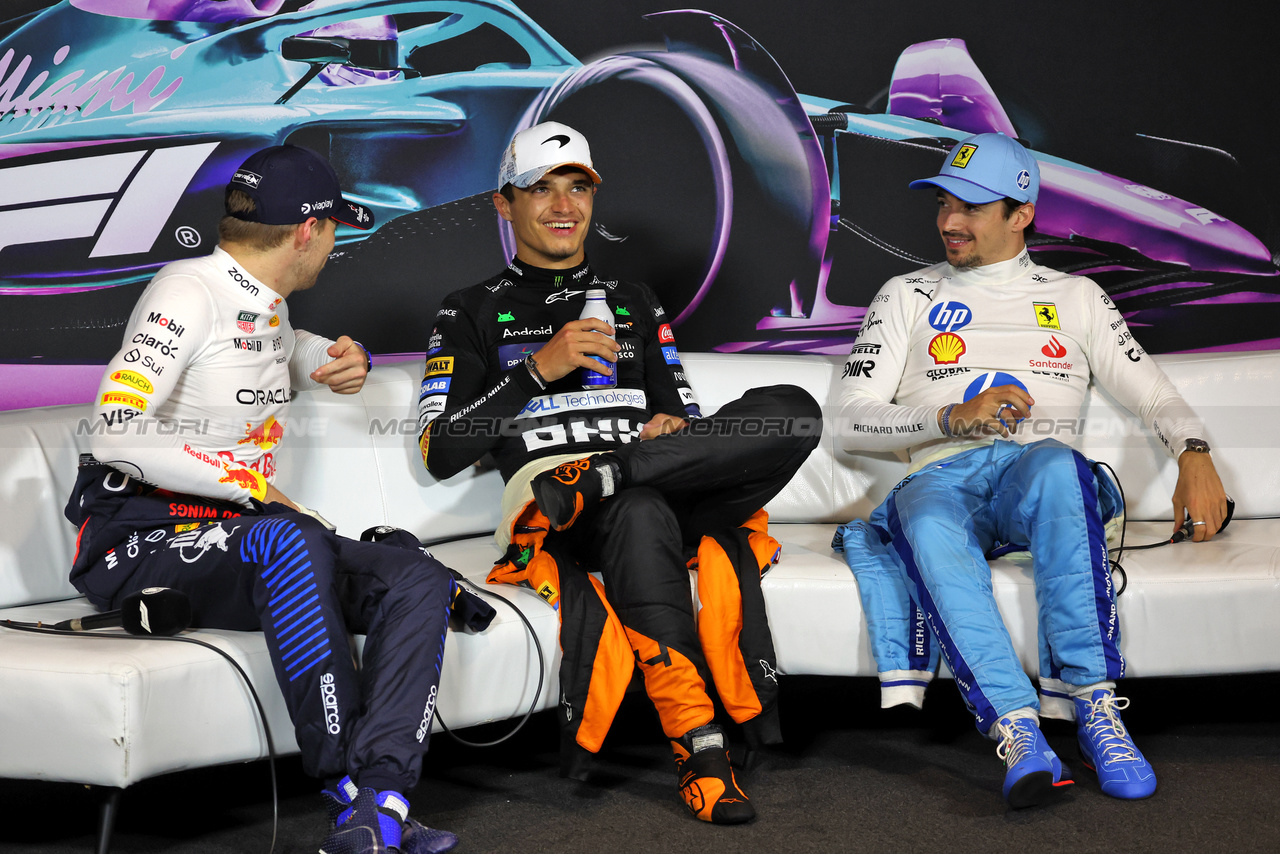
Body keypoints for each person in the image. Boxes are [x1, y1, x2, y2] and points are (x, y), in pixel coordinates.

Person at [65, 144, 475, 854]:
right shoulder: (185, 292)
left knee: (417, 576)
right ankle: (345, 789)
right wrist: (253, 486)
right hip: (136, 537)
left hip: (241, 536)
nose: (336, 241)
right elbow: (111, 432)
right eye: (337, 227)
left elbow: (268, 339)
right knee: (293, 539)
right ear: (308, 231)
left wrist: (327, 359)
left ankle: (381, 798)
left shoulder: (265, 300)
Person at [417, 121, 821, 824]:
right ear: (503, 204)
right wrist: (539, 369)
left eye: (576, 186)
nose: (562, 204)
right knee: (639, 511)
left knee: (793, 410)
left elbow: (683, 416)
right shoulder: (469, 308)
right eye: (540, 188)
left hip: (653, 478)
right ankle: (700, 748)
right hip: (560, 509)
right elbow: (443, 447)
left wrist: (675, 434)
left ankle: (610, 472)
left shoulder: (634, 299)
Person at [834, 132, 1229, 808]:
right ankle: (1019, 732)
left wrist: (1194, 455)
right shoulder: (906, 293)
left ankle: (1097, 709)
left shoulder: (1077, 296)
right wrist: (952, 417)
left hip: (1036, 478)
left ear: (1022, 214)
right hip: (940, 479)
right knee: (923, 515)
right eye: (943, 204)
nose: (949, 223)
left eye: (972, 208)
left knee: (1054, 466)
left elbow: (1152, 389)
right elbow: (845, 418)